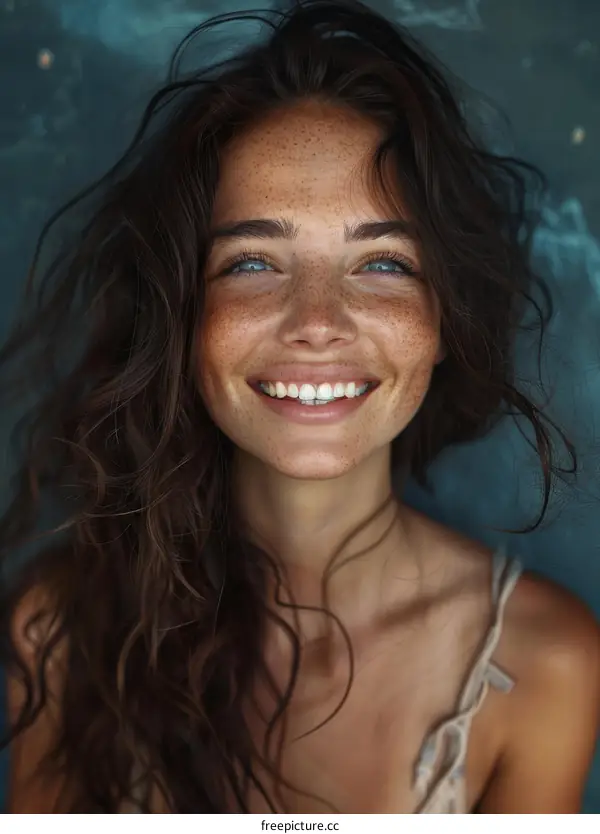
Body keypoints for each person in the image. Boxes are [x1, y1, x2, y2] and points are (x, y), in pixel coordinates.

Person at [1, 0, 599, 814]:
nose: (317, 322)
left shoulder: (546, 663)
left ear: (444, 321)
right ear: (184, 317)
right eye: (253, 263)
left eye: (383, 264)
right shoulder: (63, 631)